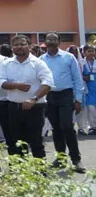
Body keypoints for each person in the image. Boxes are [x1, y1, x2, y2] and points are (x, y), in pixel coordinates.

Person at [0, 34, 53, 159]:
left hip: (35, 107)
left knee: (36, 142)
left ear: (29, 46)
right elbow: (1, 82)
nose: (19, 47)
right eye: (16, 45)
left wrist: (33, 99)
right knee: (17, 143)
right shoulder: (7, 64)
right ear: (12, 48)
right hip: (14, 108)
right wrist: (16, 85)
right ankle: (21, 175)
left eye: (22, 44)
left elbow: (48, 83)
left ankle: (40, 173)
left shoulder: (38, 63)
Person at [39, 32, 86, 173]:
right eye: (49, 39)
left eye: (54, 39)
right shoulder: (41, 59)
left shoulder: (69, 57)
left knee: (67, 126)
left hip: (66, 95)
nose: (51, 41)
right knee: (56, 128)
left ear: (59, 42)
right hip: (49, 96)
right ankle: (60, 159)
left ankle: (76, 159)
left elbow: (77, 79)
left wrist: (78, 99)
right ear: (45, 42)